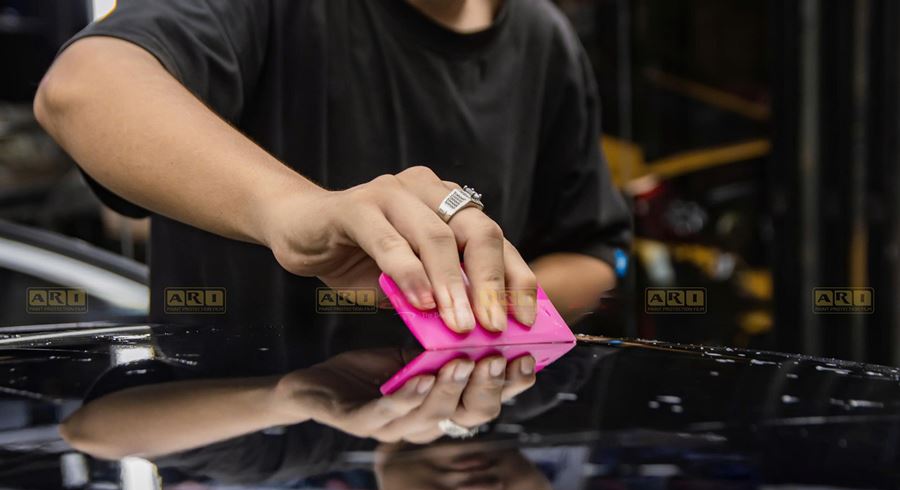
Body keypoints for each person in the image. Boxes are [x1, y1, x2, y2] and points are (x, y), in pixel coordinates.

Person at [34, 0, 631, 336]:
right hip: (241, 474)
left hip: (467, 446)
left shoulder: (545, 38)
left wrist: (473, 314)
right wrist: (298, 212)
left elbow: (593, 255)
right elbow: (84, 87)